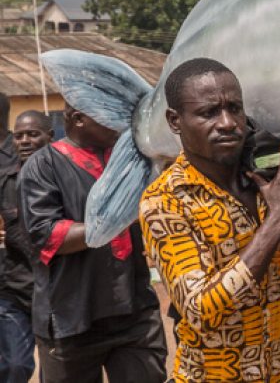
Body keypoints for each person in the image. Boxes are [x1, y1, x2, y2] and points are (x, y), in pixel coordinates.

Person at [138, 58, 280, 383]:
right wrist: (277, 221)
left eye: (234, 109)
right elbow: (200, 310)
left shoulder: (272, 177)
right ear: (175, 120)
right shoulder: (166, 200)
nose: (227, 123)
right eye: (209, 112)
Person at [19, 105, 167, 383]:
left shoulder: (129, 161)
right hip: (71, 320)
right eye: (111, 117)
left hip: (134, 313)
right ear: (79, 119)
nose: (120, 124)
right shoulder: (43, 165)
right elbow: (47, 234)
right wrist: (117, 220)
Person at [0, 110, 54, 382]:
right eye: (19, 135)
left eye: (33, 134)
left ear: (50, 136)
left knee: (56, 372)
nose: (24, 141)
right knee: (14, 366)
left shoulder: (64, 179)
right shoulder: (5, 181)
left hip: (58, 294)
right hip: (15, 292)